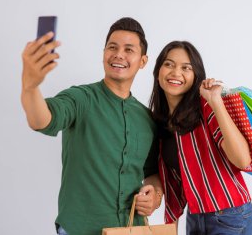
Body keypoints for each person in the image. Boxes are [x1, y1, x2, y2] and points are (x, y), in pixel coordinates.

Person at [21, 17, 163, 235]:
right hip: (80, 229)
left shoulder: (147, 118)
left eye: (128, 49)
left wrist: (154, 195)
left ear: (143, 61)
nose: (119, 54)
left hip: (131, 230)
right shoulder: (80, 98)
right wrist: (30, 87)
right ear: (103, 53)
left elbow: (152, 172)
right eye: (112, 47)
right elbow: (42, 119)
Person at [149, 41, 252, 235]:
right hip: (195, 216)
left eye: (185, 68)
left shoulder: (207, 107)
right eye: (169, 64)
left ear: (196, 75)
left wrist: (215, 101)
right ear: (158, 71)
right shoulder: (160, 123)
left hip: (229, 214)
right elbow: (173, 184)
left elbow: (242, 160)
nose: (176, 72)